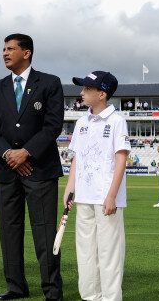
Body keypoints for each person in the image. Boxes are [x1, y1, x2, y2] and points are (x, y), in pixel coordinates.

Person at [0, 33, 64, 300]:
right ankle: (16, 287)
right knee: (9, 231)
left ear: (26, 53)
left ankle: (52, 289)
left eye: (10, 49)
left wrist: (26, 153)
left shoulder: (50, 83)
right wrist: (9, 154)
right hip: (7, 170)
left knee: (44, 231)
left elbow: (53, 125)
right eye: (3, 49)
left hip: (40, 169)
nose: (4, 53)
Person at [63, 71, 129, 301]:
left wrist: (111, 196)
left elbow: (121, 159)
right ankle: (90, 296)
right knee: (86, 252)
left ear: (101, 94)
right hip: (83, 197)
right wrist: (70, 188)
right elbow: (77, 158)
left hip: (106, 199)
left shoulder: (117, 121)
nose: (81, 93)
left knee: (109, 253)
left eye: (86, 89)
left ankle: (111, 298)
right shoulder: (82, 122)